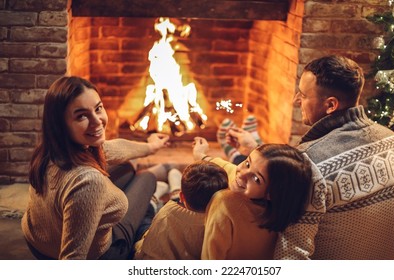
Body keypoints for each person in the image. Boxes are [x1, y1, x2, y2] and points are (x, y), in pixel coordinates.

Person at [226, 55, 394, 259]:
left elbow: (292, 253)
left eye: (303, 95)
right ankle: (243, 153)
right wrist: (254, 148)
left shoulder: (310, 164)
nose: (296, 100)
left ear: (330, 105)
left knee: (230, 199)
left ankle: (235, 158)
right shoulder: (390, 139)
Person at [21, 76, 171, 260]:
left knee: (126, 167)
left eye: (98, 108)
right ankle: (152, 203)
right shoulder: (89, 182)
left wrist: (150, 147)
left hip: (38, 241)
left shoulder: (51, 149)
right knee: (146, 178)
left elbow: (110, 149)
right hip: (101, 254)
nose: (97, 121)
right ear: (62, 124)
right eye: (81, 115)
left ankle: (146, 189)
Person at [192, 137, 312, 259]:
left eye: (256, 179)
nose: (242, 174)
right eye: (247, 163)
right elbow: (229, 168)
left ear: (271, 193)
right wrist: (201, 155)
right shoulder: (279, 209)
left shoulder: (224, 203)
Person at [134, 161, 229, 260]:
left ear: (182, 196)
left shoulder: (168, 212)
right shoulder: (226, 221)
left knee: (144, 223)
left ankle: (156, 198)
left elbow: (150, 247)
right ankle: (175, 190)